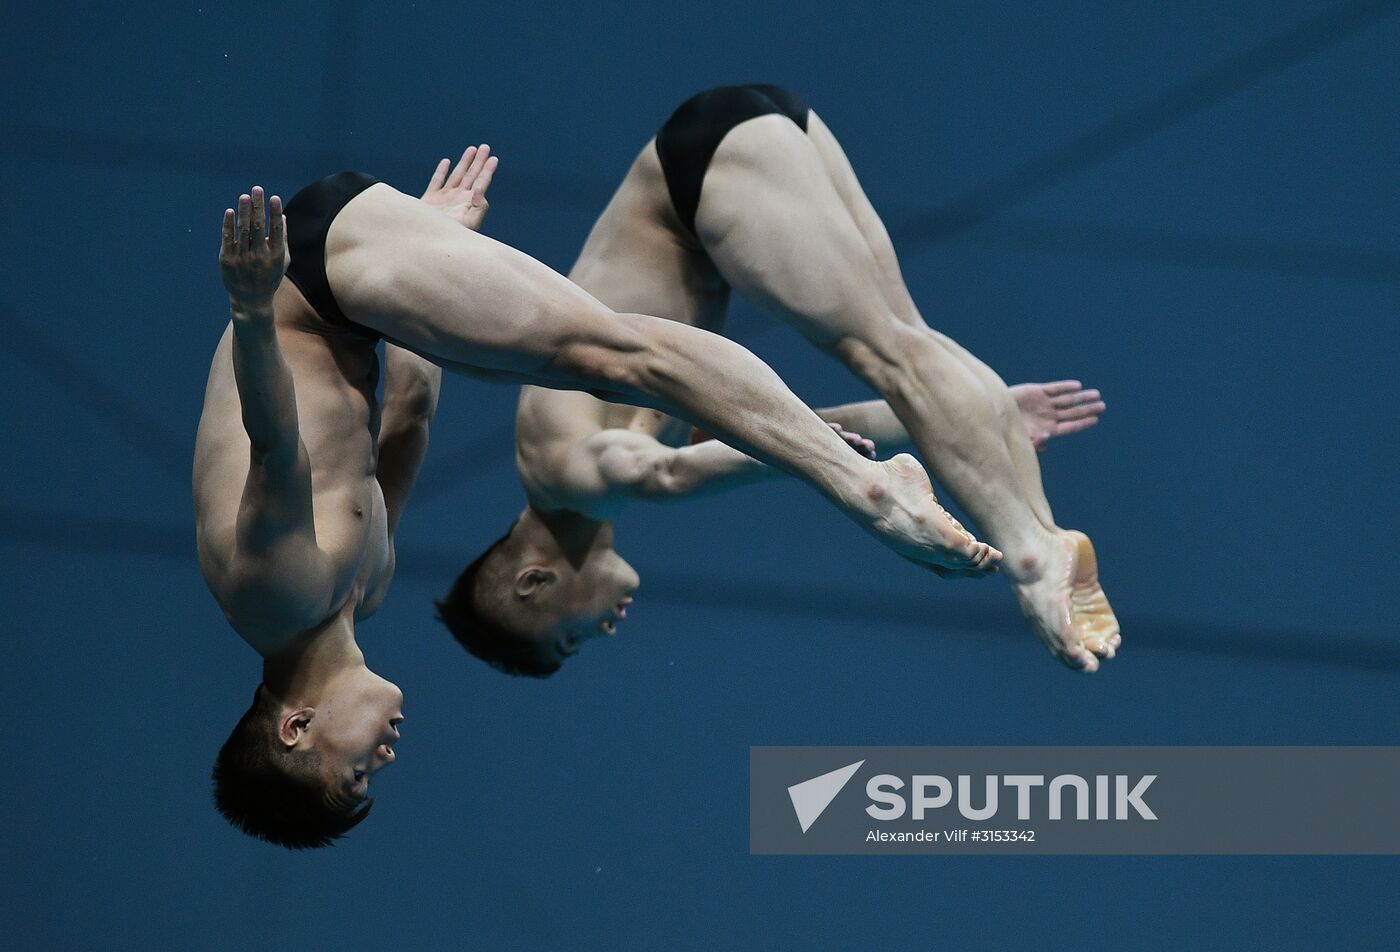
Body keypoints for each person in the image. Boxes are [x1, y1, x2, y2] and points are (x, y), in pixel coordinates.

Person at [196, 136, 997, 845]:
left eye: (358, 775)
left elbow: (278, 449)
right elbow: (404, 417)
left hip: (303, 283)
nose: (387, 756)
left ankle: (867, 492)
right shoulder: (359, 592)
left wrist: (251, 308)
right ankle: (859, 479)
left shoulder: (276, 598)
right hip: (351, 293)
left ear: (296, 729)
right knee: (617, 357)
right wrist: (425, 248)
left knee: (623, 358)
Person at [436, 85, 1117, 678]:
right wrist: (967, 414)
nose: (603, 631)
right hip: (728, 143)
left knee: (891, 352)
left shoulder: (561, 476)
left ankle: (1030, 556)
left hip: (700, 185)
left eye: (570, 641)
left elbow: (663, 474)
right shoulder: (571, 468)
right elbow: (776, 421)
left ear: (533, 583)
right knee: (906, 343)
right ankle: (1041, 529)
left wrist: (814, 467)